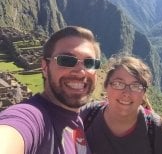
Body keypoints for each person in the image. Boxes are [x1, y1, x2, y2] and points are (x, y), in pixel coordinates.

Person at [0, 26, 101, 154]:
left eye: (89, 63)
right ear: (45, 67)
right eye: (66, 60)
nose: (81, 72)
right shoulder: (32, 118)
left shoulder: (77, 120)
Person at [82, 54, 162, 154]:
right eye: (118, 84)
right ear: (106, 86)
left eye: (135, 86)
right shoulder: (86, 116)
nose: (126, 93)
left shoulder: (158, 132)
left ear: (144, 93)